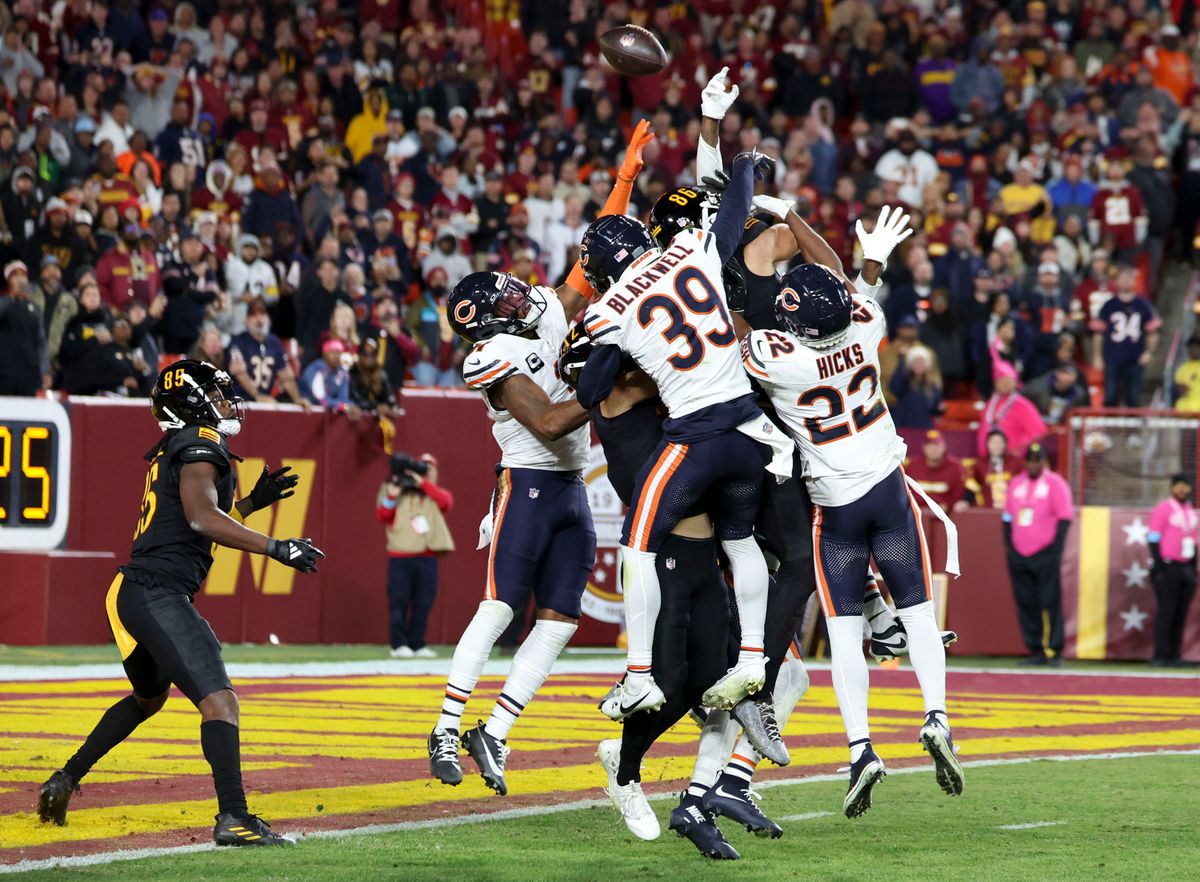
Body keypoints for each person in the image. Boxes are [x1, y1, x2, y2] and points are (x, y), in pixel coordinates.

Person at [426, 120, 651, 798]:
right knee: (499, 609)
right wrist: (613, 379)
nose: (520, 292)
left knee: (559, 617)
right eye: (504, 297)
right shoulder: (490, 357)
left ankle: (493, 731)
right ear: (488, 322)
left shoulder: (547, 311)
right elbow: (552, 420)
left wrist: (625, 180)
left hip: (569, 490)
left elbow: (595, 255)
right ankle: (444, 726)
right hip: (526, 482)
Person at [37, 360, 322, 846]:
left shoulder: (180, 446)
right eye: (216, 392)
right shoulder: (200, 443)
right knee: (220, 702)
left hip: (132, 591)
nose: (228, 401)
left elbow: (187, 519)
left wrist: (251, 504)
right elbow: (200, 519)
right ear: (191, 402)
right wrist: (274, 546)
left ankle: (64, 778)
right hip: (157, 592)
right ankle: (233, 817)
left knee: (149, 699)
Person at [742, 206, 964, 819]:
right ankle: (937, 717)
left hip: (834, 507)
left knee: (843, 636)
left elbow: (741, 330)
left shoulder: (778, 359)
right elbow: (842, 279)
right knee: (918, 615)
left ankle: (862, 749)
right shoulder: (867, 324)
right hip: (889, 493)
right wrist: (869, 261)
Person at [580, 147, 793, 723]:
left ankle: (640, 675)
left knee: (637, 545)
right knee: (741, 541)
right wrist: (747, 166)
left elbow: (588, 391)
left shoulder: (611, 308)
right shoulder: (687, 248)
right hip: (751, 433)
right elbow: (732, 217)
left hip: (696, 439)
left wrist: (599, 347)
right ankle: (752, 659)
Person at [376, 452, 455, 658]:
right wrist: (393, 495)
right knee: (399, 601)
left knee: (424, 602)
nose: (426, 473)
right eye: (423, 469)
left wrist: (424, 484)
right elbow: (382, 515)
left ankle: (417, 643)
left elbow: (446, 503)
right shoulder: (395, 489)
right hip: (400, 555)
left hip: (427, 557)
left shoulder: (435, 494)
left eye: (430, 470)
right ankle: (398, 644)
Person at [1002, 443, 1072, 666]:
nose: (1033, 464)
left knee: (1050, 601)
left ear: (1044, 462)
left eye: (1037, 460)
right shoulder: (1016, 483)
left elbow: (1064, 518)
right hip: (1020, 554)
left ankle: (1055, 650)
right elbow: (1007, 519)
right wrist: (1010, 549)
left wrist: (1055, 551)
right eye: (1030, 460)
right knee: (1026, 602)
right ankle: (1035, 650)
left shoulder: (1055, 484)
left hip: (1045, 553)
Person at [1091, 266, 1160, 408]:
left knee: (1133, 398)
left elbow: (1152, 331)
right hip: (1112, 356)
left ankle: (1132, 429)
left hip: (1134, 357)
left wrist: (1148, 352)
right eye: (1122, 278)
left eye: (1129, 278)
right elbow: (1098, 333)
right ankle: (1109, 427)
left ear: (1134, 281)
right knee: (1110, 396)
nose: (1125, 281)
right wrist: (1097, 355)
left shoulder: (1143, 304)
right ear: (1116, 281)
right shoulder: (1109, 305)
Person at [1148, 475, 1198, 668]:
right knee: (1166, 612)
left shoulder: (1190, 511)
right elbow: (1153, 538)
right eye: (1179, 486)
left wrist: (1193, 570)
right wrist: (1160, 568)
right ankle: (1160, 655)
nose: (1183, 490)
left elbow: (1193, 543)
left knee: (1180, 614)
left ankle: (1175, 655)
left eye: (1186, 486)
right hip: (1168, 566)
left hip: (1186, 568)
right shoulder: (1163, 509)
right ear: (1172, 488)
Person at [226, 298, 307, 407]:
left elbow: (285, 375)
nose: (259, 319)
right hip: (240, 404)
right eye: (254, 315)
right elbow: (240, 373)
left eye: (262, 314)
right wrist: (257, 395)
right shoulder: (238, 342)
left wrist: (297, 398)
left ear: (268, 318)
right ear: (246, 320)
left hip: (265, 404)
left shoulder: (274, 342)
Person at [977, 358, 1047, 458]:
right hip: (988, 460)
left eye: (1009, 381)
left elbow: (1039, 434)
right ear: (995, 383)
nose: (1006, 384)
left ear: (1015, 383)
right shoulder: (990, 404)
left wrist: (1020, 451)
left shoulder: (1024, 406)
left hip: (1015, 461)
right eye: (1002, 380)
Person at [0, 259, 47, 395]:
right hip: (5, 375)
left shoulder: (34, 308)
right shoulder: (4, 302)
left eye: (23, 275)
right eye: (15, 275)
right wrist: (11, 298)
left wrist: (44, 370)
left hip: (29, 375)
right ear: (8, 280)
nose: (20, 280)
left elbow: (41, 342)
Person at [905, 430, 969, 515]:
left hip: (946, 517)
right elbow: (904, 491)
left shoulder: (956, 467)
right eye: (929, 445)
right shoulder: (913, 466)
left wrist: (948, 505)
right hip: (915, 515)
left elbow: (960, 493)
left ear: (944, 447)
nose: (933, 449)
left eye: (937, 445)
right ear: (924, 447)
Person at [969, 429, 1023, 509]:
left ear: (1005, 444)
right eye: (993, 442)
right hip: (988, 509)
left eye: (1000, 442)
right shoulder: (980, 464)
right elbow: (971, 486)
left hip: (1012, 508)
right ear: (987, 444)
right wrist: (965, 501)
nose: (996, 445)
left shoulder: (1015, 462)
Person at [300, 338, 355, 411]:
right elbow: (320, 399)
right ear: (324, 354)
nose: (336, 356)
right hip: (307, 408)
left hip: (326, 412)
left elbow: (343, 399)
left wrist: (351, 406)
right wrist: (341, 406)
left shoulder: (343, 373)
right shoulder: (316, 369)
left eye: (338, 352)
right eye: (332, 352)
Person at [1173, 336, 1200, 412]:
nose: (1195, 350)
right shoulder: (1182, 369)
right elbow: (1181, 389)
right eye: (1192, 347)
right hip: (1184, 409)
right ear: (1189, 349)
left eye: (1197, 347)